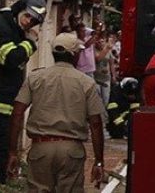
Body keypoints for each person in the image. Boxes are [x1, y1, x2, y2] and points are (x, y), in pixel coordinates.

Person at [7, 32, 106, 192]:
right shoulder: (86, 83)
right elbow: (95, 123)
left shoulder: (35, 78)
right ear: (74, 55)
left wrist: (12, 152)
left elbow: (17, 113)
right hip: (71, 151)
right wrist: (99, 161)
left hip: (41, 148)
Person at [0, 0, 45, 193]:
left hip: (0, 111)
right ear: (19, 10)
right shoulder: (0, 29)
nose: (29, 23)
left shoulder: (15, 32)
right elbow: (11, 59)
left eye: (34, 21)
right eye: (28, 17)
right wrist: (31, 42)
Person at [92, 26, 113, 108]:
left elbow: (111, 63)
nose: (100, 43)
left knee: (106, 99)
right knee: (98, 100)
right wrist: (107, 48)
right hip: (97, 79)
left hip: (106, 78)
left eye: (102, 41)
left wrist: (113, 76)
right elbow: (97, 59)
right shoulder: (93, 50)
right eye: (99, 41)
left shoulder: (108, 51)